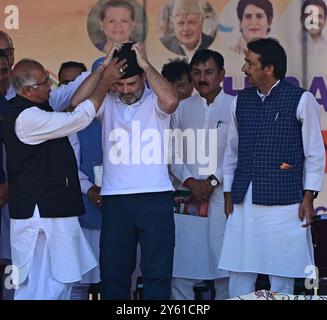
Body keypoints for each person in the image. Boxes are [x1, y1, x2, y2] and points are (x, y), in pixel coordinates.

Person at [3, 53, 128, 300]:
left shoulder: (37, 107)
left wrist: (101, 69)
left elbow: (73, 100)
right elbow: (78, 118)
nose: (51, 86)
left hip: (52, 210)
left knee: (59, 284)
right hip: (41, 214)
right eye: (45, 83)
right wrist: (105, 83)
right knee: (45, 286)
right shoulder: (27, 117)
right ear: (28, 89)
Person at [219, 38, 325, 298]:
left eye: (250, 63)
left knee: (281, 274)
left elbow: (314, 153)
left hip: (286, 201)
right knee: (239, 271)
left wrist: (309, 196)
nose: (244, 69)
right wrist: (228, 192)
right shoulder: (240, 101)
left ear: (270, 69)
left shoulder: (301, 99)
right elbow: (231, 151)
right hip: (244, 200)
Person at [89, 42, 178, 300]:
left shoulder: (156, 101)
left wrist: (146, 64)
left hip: (155, 196)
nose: (125, 91)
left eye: (132, 84)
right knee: (114, 274)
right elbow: (76, 104)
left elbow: (171, 100)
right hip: (116, 200)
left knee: (157, 273)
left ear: (143, 78)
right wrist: (104, 71)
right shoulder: (106, 100)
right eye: (120, 84)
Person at [170, 49, 232, 300]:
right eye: (197, 73)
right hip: (187, 197)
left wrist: (212, 182)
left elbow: (236, 154)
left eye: (208, 72)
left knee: (226, 272)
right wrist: (191, 182)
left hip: (221, 200)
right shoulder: (180, 109)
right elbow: (170, 152)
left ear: (221, 75)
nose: (202, 78)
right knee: (181, 270)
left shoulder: (235, 107)